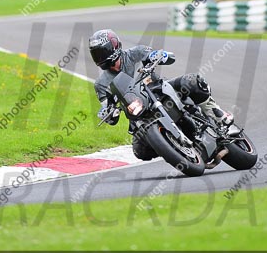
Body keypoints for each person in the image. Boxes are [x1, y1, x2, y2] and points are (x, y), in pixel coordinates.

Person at [89, 29, 234, 161]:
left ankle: (218, 114)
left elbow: (156, 55)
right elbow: (107, 108)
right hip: (138, 114)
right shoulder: (101, 84)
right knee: (140, 152)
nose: (99, 57)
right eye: (96, 54)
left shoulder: (136, 53)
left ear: (113, 47)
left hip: (159, 91)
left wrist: (159, 55)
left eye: (102, 52)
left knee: (192, 81)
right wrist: (108, 113)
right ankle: (171, 146)